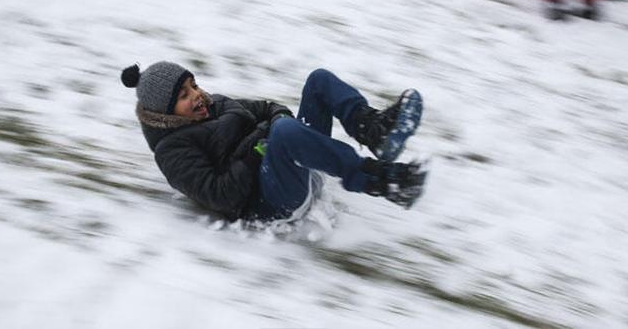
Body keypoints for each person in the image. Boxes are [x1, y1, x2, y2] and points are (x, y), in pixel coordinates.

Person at [121, 62, 428, 222]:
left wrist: (275, 124)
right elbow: (221, 194)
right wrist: (260, 146)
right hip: (271, 203)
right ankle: (383, 180)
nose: (197, 95)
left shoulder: (214, 105)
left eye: (194, 85)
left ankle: (374, 131)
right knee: (283, 133)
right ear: (165, 112)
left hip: (291, 166)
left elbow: (270, 109)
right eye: (184, 96)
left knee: (318, 81)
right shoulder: (171, 150)